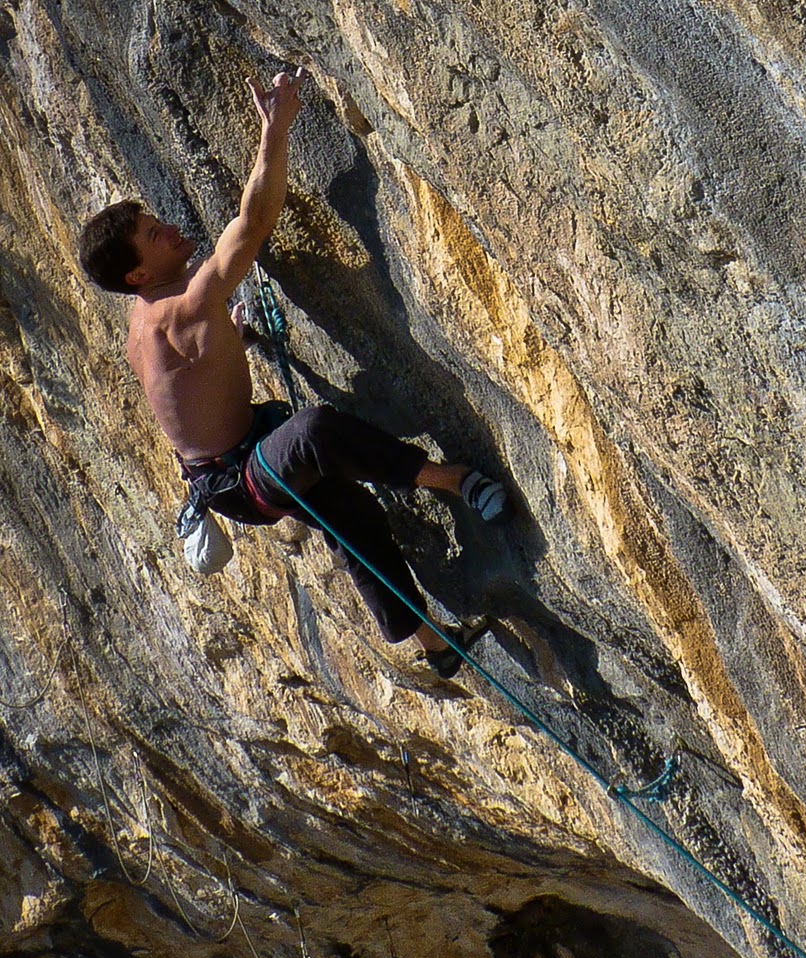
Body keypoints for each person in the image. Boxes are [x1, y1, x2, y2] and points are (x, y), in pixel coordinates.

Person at [76, 68, 507, 677]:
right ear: (138, 275)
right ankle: (455, 480)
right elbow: (252, 226)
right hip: (242, 477)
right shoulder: (185, 305)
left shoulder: (146, 321)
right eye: (154, 234)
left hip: (230, 467)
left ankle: (435, 647)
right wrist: (274, 130)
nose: (170, 229)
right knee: (314, 433)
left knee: (353, 518)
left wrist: (235, 339)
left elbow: (187, 382)